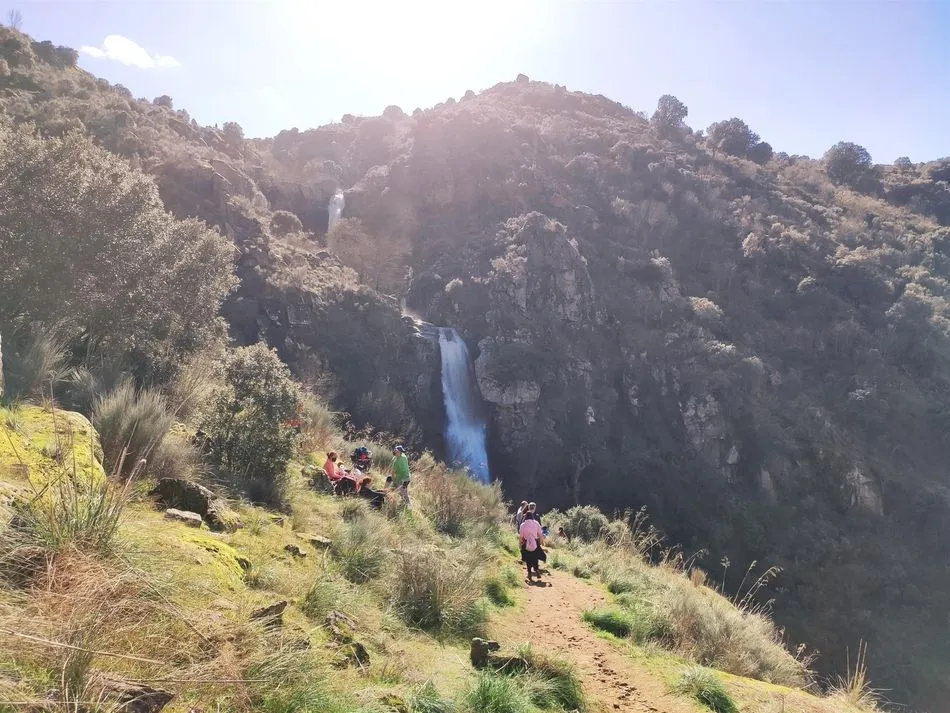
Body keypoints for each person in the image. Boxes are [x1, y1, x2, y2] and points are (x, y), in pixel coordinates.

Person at [518, 503, 545, 582]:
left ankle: (529, 573)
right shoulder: (536, 523)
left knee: (528, 559)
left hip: (526, 543)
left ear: (525, 517)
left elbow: (521, 536)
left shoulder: (523, 525)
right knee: (535, 558)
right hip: (535, 543)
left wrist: (520, 544)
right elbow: (540, 534)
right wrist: (541, 541)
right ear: (532, 516)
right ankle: (536, 570)